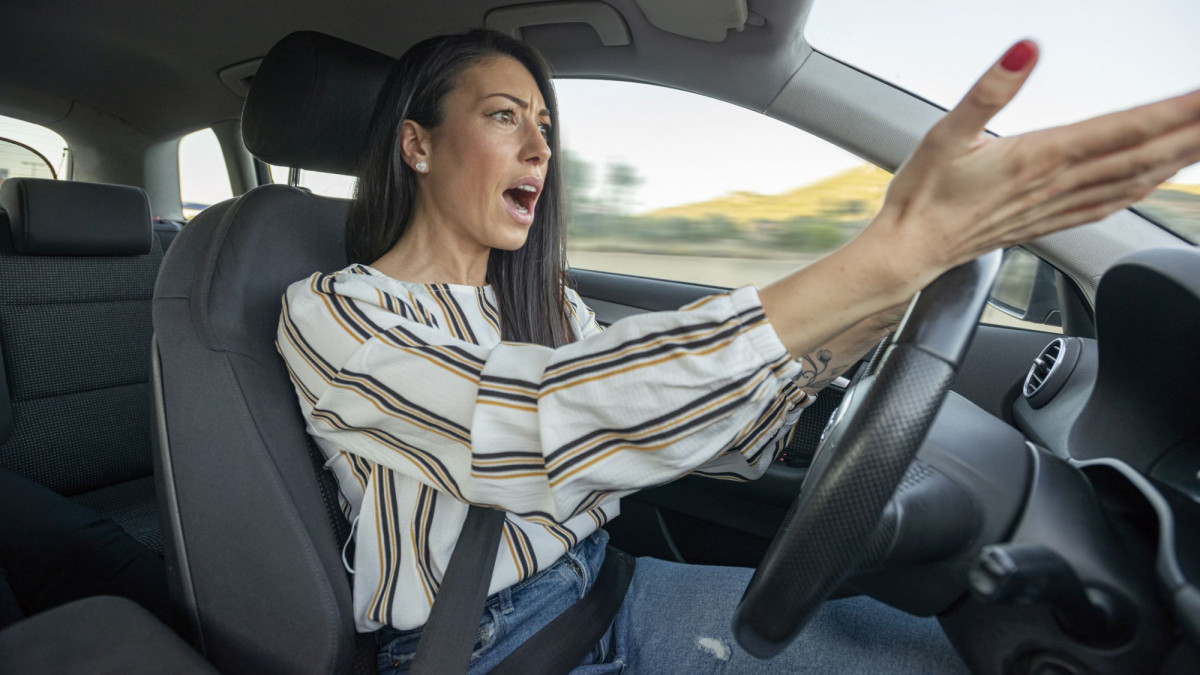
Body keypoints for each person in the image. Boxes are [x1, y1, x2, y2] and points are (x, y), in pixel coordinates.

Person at [277, 30, 1200, 673]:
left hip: (608, 589)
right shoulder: (335, 311)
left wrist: (870, 312)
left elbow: (708, 441)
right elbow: (535, 420)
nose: (540, 148)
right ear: (417, 144)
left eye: (546, 127)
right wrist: (876, 255)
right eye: (505, 117)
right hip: (489, 646)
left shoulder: (541, 300)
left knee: (929, 651)